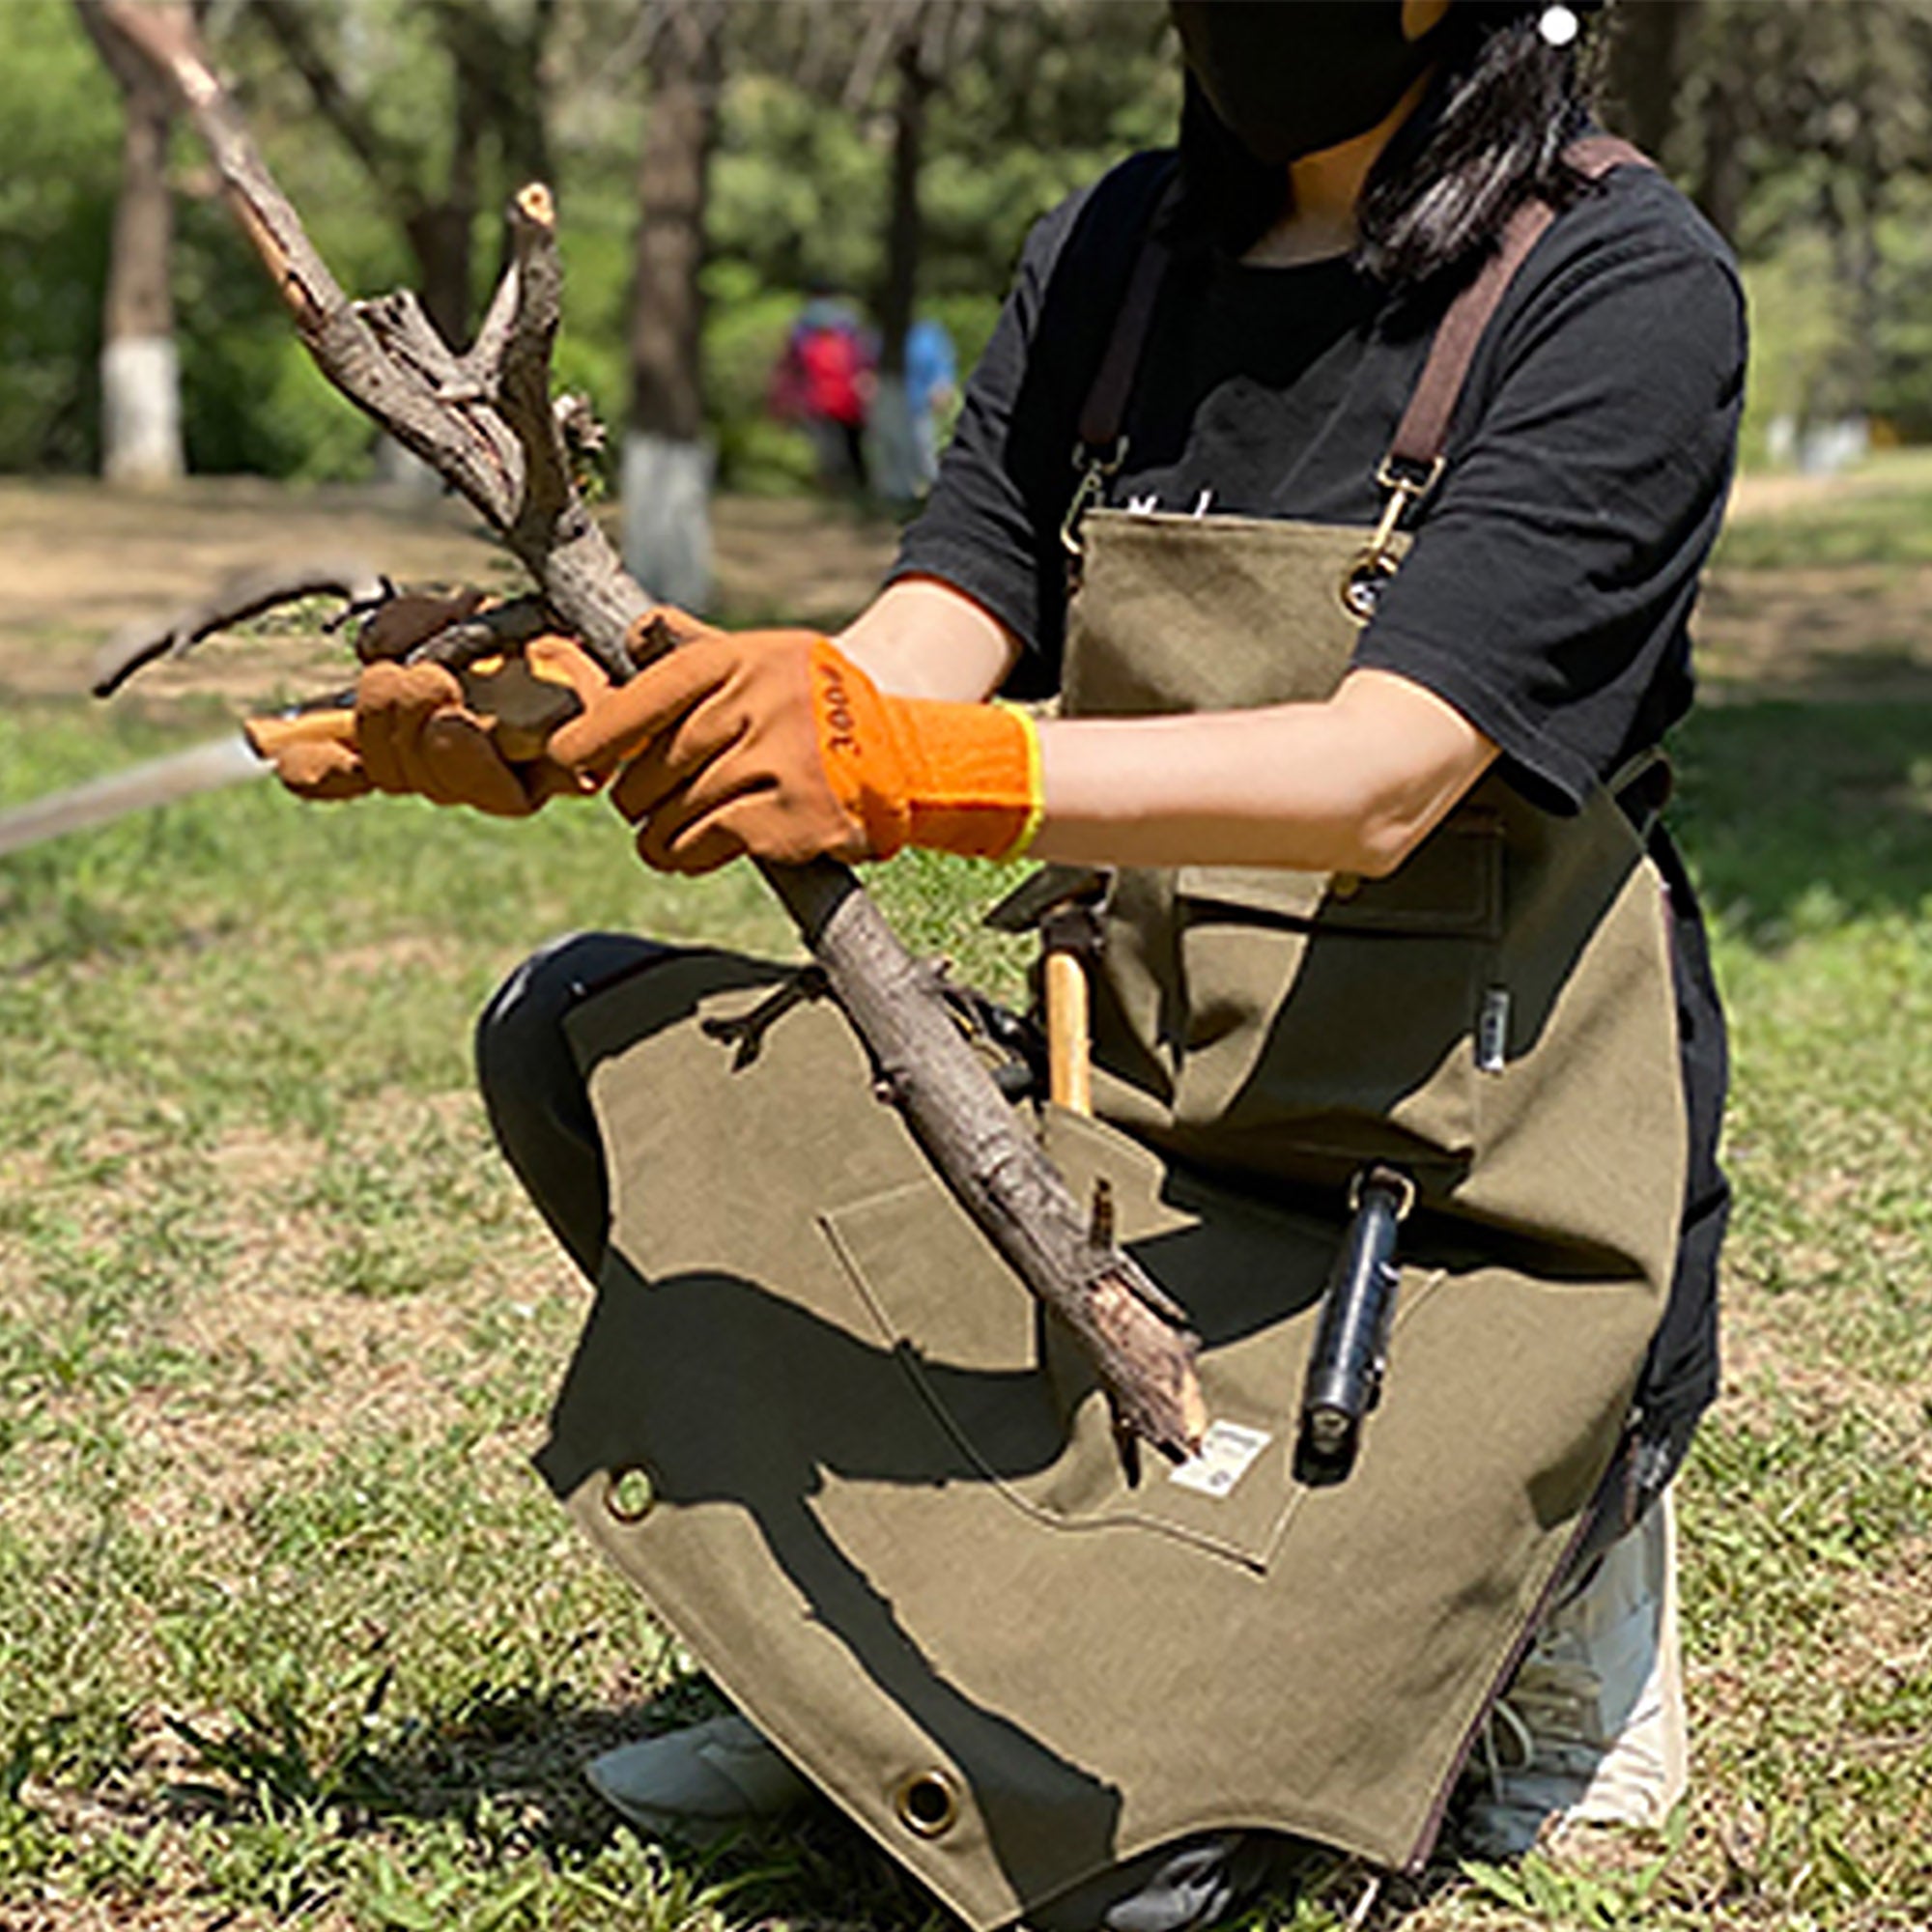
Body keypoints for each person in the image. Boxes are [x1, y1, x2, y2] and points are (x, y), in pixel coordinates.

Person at [259, 4, 1743, 1927]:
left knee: (1133, 1885)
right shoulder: (1118, 256)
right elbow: (927, 639)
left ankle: (1572, 1585)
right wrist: (575, 719)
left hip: (1457, 1213)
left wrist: (912, 776)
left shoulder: (1618, 284)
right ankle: (840, 1665)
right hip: (1118, 1143)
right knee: (584, 1033)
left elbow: (1381, 777)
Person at [769, 280, 876, 496]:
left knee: (830, 448)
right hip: (846, 400)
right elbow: (865, 360)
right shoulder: (849, 328)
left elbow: (792, 366)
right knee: (849, 445)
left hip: (824, 400)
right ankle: (855, 487)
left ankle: (838, 487)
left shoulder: (804, 331)